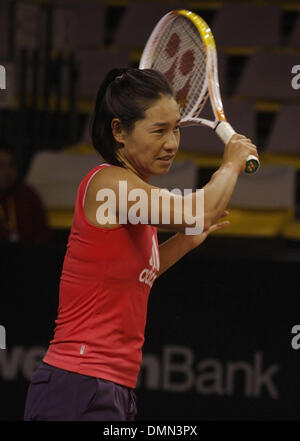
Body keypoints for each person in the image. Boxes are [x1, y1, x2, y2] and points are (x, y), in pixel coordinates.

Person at [23, 68, 258, 421]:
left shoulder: (134, 199)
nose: (172, 143)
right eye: (159, 131)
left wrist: (185, 241)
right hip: (77, 384)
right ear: (119, 131)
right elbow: (202, 210)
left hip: (114, 386)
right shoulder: (108, 185)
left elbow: (136, 273)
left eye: (176, 128)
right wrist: (230, 165)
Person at [0, 148, 50, 245]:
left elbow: (43, 233)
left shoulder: (27, 194)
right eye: (1, 166)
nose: (7, 172)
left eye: (11, 165)